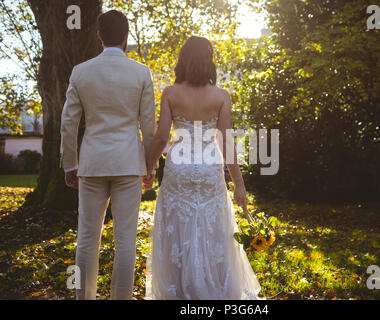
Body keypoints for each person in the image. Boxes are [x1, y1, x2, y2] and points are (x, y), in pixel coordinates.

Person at [144, 36, 262, 299]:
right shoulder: (221, 96)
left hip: (179, 169)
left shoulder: (171, 93)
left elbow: (162, 137)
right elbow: (226, 140)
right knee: (213, 229)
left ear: (182, 61)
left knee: (178, 227)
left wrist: (149, 169)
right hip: (210, 169)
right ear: (209, 62)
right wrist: (239, 184)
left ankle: (180, 290)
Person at [60, 10, 156, 300]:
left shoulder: (81, 71)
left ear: (99, 35)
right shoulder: (141, 72)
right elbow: (149, 127)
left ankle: (83, 297)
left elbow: (68, 123)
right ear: (126, 36)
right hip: (129, 164)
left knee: (87, 238)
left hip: (92, 164)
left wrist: (70, 164)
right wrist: (150, 168)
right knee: (126, 241)